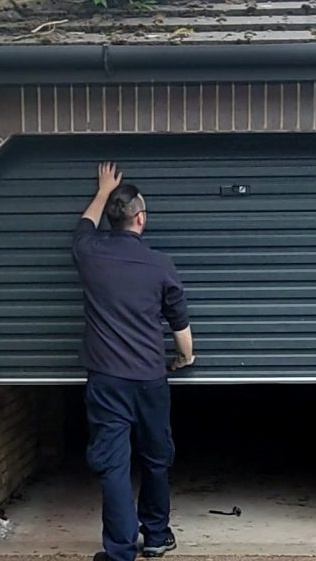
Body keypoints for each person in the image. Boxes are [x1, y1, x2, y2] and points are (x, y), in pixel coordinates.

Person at [72, 162, 195, 561]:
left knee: (113, 464)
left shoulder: (89, 253)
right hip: (150, 379)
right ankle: (156, 536)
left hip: (107, 381)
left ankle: (120, 550)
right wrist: (185, 357)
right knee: (157, 457)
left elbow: (85, 224)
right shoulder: (160, 264)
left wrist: (104, 189)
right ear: (141, 218)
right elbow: (180, 324)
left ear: (112, 217)